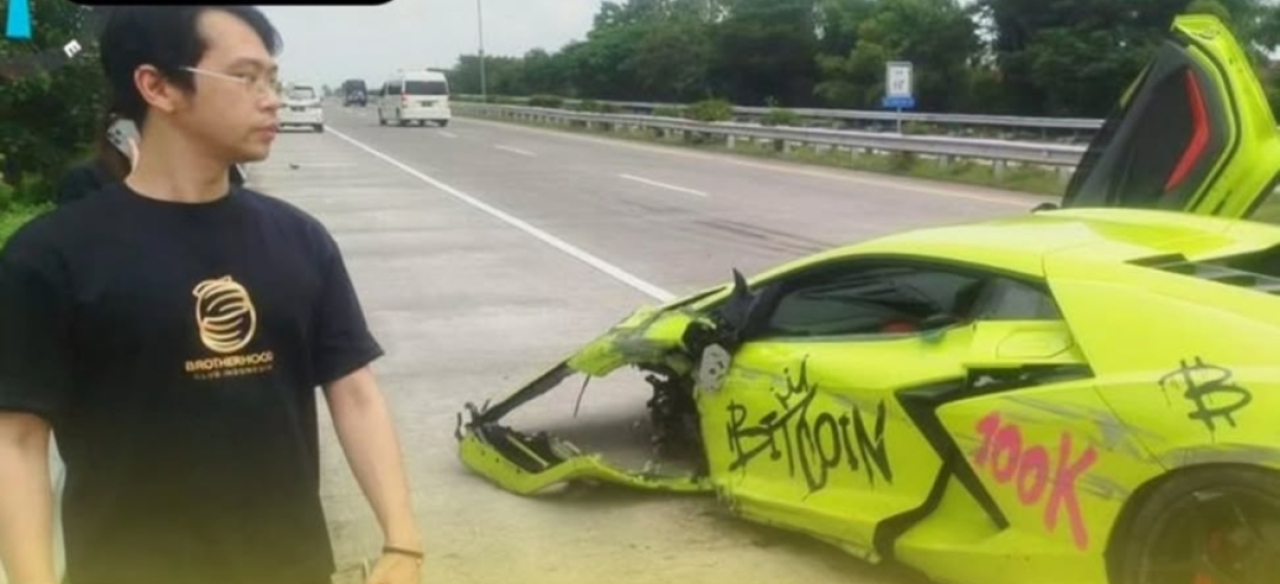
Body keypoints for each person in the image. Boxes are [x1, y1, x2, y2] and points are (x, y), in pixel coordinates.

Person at [0, 6, 423, 584]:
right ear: (158, 86)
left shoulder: (300, 240)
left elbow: (354, 391)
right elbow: (19, 440)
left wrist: (403, 545)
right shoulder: (51, 255)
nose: (271, 97)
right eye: (246, 77)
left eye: (272, 78)